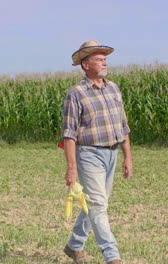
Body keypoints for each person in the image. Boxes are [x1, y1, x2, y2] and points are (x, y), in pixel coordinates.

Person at [61, 40, 133, 264]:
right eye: (99, 59)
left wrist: (127, 157)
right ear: (85, 64)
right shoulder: (76, 94)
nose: (105, 62)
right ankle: (112, 257)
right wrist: (71, 169)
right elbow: (69, 134)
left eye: (105, 58)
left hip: (112, 153)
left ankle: (74, 245)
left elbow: (122, 125)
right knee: (98, 205)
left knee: (95, 203)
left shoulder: (113, 88)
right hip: (89, 154)